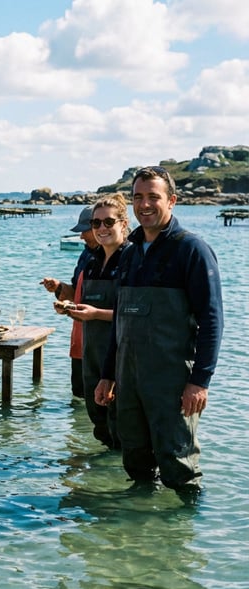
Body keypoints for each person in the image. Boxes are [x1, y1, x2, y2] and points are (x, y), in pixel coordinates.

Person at [95, 166, 223, 499]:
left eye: (154, 197)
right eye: (138, 197)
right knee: (135, 459)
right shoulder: (132, 253)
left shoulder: (191, 250)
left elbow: (212, 320)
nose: (145, 205)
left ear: (172, 201)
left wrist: (200, 381)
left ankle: (182, 536)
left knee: (179, 466)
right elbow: (121, 322)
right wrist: (108, 375)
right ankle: (139, 535)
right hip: (130, 379)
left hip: (171, 381)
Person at [63, 194, 129, 449]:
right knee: (99, 423)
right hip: (91, 355)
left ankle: (122, 482)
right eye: (96, 224)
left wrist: (96, 314)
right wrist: (73, 308)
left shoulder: (132, 259)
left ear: (123, 224)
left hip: (121, 359)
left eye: (108, 222)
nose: (101, 229)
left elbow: (138, 317)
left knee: (123, 428)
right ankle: (103, 479)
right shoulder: (91, 263)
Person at [41, 206, 98, 399]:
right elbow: (75, 295)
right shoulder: (86, 254)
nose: (82, 236)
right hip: (80, 343)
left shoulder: (124, 256)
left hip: (102, 347)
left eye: (85, 230)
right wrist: (58, 288)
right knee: (80, 398)